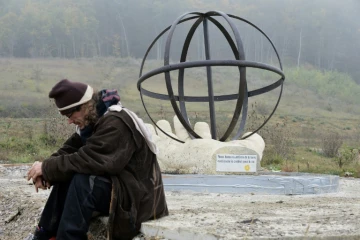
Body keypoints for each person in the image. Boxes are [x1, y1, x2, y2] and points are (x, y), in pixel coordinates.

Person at [27, 79, 168, 240]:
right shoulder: (92, 122)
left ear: (85, 106)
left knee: (83, 180)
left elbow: (91, 159)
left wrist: (46, 168)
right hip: (119, 188)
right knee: (64, 172)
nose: (69, 121)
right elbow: (68, 151)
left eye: (70, 114)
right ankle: (45, 233)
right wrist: (45, 171)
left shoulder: (116, 122)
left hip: (139, 198)